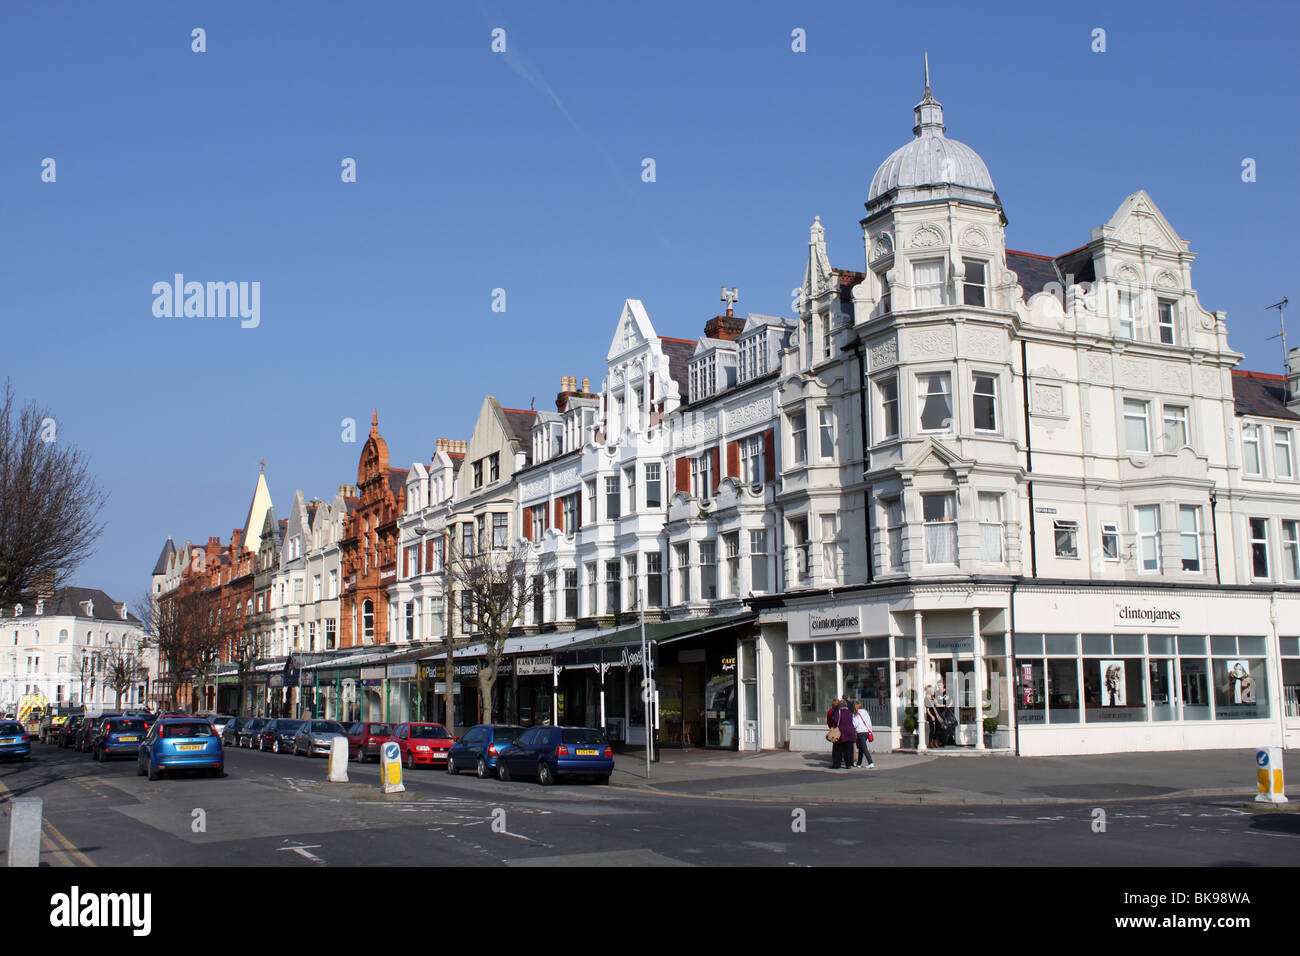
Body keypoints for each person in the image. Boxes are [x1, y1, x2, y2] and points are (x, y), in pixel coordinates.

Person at [827, 698, 856, 769]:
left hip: (841, 732)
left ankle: (836, 764)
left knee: (837, 749)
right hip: (850, 732)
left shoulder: (838, 712)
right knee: (848, 749)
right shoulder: (850, 712)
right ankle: (849, 764)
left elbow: (835, 721)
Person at [851, 700, 875, 768]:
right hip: (866, 732)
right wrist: (870, 731)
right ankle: (859, 763)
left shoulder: (855, 714)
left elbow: (855, 724)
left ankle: (870, 762)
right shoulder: (866, 712)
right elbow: (869, 722)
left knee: (864, 748)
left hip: (860, 732)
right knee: (861, 748)